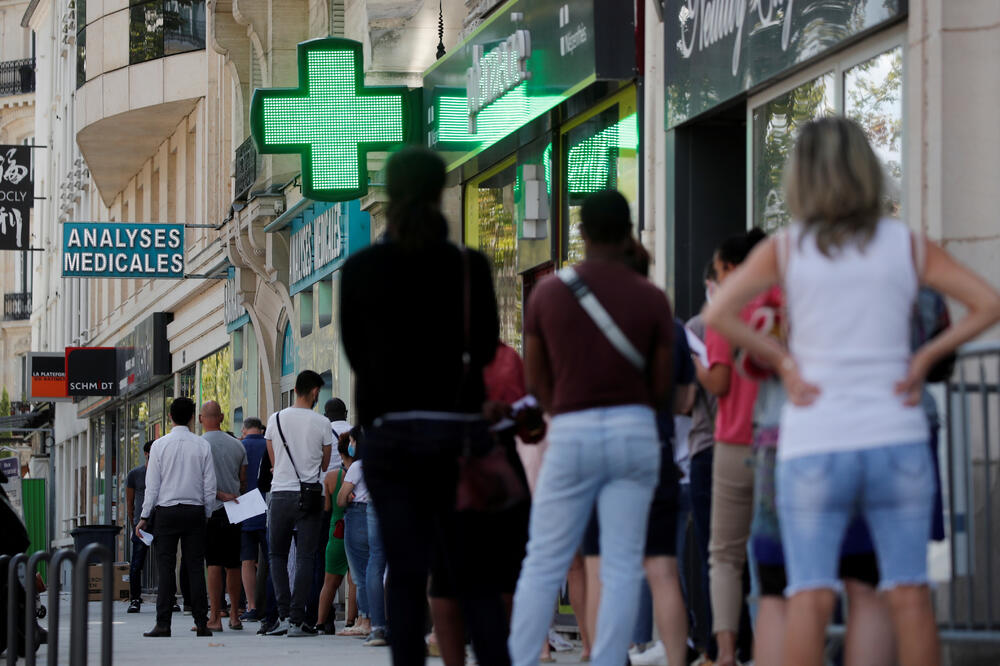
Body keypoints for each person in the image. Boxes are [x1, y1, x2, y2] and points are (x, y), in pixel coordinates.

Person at [703, 116, 1000, 666]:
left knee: (809, 595)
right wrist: (924, 358)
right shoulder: (906, 245)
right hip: (897, 435)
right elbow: (988, 302)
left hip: (815, 440)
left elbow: (718, 312)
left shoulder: (787, 249)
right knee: (907, 594)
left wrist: (785, 363)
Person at [341, 146, 507, 666]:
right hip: (456, 436)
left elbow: (355, 351)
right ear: (439, 192)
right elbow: (484, 349)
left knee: (407, 573)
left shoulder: (364, 268)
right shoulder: (466, 267)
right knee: (472, 571)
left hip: (389, 438)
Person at [508, 190, 675, 666]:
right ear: (628, 233)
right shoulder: (652, 298)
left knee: (543, 559)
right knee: (622, 566)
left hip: (572, 432)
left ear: (581, 233)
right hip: (634, 432)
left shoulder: (549, 295)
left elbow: (537, 384)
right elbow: (661, 388)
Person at [581, 240, 694, 666]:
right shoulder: (670, 325)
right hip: (654, 451)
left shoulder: (585, 328)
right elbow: (685, 401)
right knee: (662, 570)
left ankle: (605, 656)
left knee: (600, 569)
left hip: (598, 456)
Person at [696, 229, 767, 666]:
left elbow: (719, 381)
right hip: (783, 443)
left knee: (725, 555)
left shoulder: (728, 305)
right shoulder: (787, 302)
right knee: (776, 554)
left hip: (734, 441)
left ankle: (724, 654)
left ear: (729, 267)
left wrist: (699, 368)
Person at [136, 397, 217, 638]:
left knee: (166, 569)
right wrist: (207, 511)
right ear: (193, 417)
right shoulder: (202, 445)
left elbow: (152, 486)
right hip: (194, 511)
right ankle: (202, 622)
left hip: (166, 512)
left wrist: (144, 515)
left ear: (170, 417)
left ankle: (163, 623)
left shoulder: (159, 446)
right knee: (195, 567)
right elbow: (209, 485)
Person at [263, 370, 333, 637]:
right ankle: (296, 620)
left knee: (277, 556)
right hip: (311, 494)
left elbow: (274, 460)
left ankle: (281, 616)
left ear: (295, 391)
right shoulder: (322, 423)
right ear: (315, 392)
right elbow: (325, 463)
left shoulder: (275, 419)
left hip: (280, 493)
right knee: (306, 557)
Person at [200, 401, 248, 631]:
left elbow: (198, 481)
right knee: (233, 564)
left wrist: (219, 493)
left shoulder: (199, 445)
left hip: (212, 510)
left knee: (214, 564)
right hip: (236, 510)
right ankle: (235, 616)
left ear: (201, 419)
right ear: (221, 417)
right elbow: (243, 480)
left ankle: (215, 617)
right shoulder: (238, 445)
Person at [336, 426, 372, 640]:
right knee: (375, 569)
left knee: (360, 573)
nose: (350, 446)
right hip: (378, 515)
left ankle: (365, 619)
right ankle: (364, 618)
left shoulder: (357, 466)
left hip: (358, 514)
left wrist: (346, 497)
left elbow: (341, 497)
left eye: (352, 441)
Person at [317, 432, 352, 634]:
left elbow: (328, 507)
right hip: (356, 528)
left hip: (336, 529)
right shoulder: (361, 473)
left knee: (329, 581)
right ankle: (350, 621)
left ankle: (320, 622)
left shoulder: (331, 477)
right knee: (353, 579)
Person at [238, 417, 269, 622]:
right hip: (268, 507)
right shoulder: (269, 444)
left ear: (244, 429)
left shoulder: (239, 447)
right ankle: (270, 605)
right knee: (271, 559)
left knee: (247, 560)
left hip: (245, 509)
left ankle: (251, 606)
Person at [126, 441, 154, 614]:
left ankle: (171, 597)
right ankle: (135, 598)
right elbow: (129, 501)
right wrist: (133, 523)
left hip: (160, 522)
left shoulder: (164, 472)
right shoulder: (135, 474)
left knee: (166, 561)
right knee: (136, 563)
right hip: (141, 524)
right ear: (146, 454)